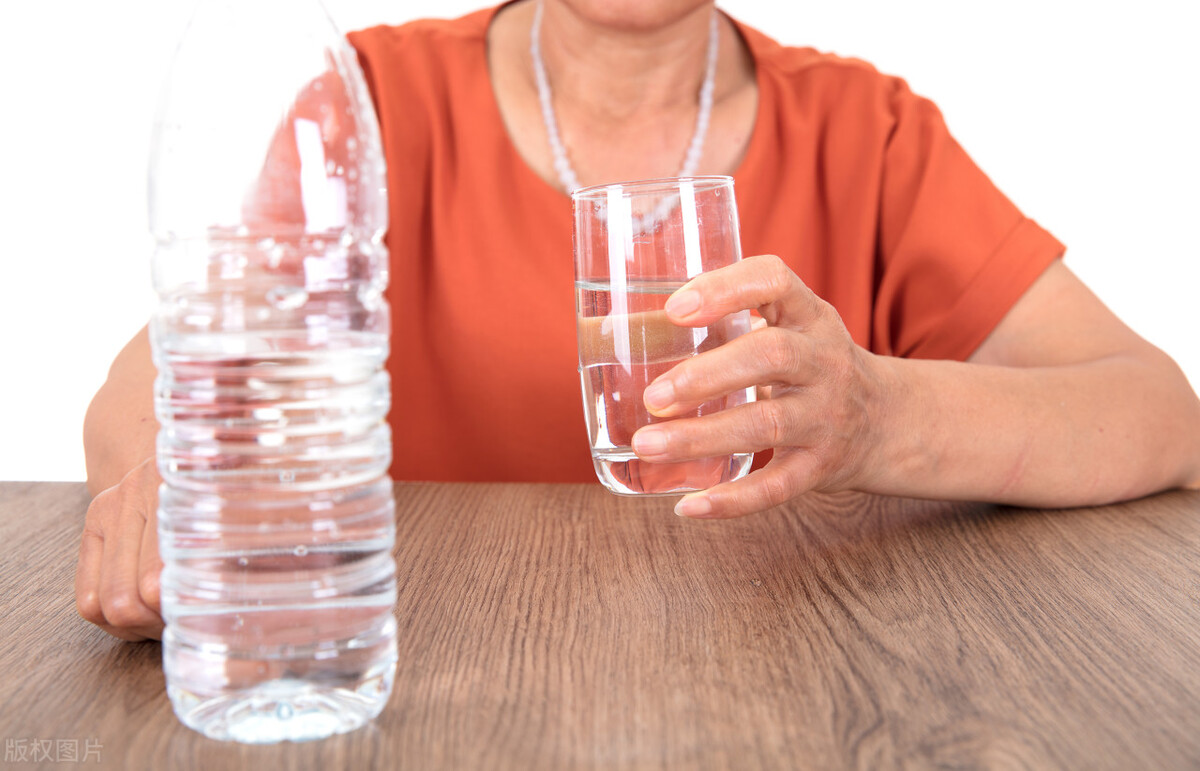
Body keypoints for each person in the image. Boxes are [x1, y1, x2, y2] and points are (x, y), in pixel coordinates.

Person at [77, 0, 1200, 642]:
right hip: (433, 693)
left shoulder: (870, 131)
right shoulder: (374, 96)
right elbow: (173, 364)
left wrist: (875, 414)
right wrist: (162, 487)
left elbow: (1158, 415)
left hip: (803, 695)